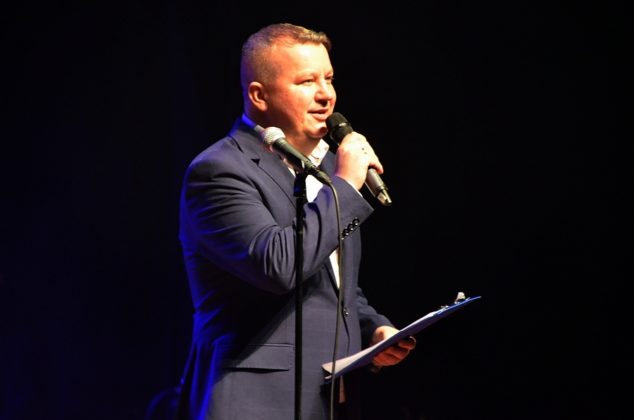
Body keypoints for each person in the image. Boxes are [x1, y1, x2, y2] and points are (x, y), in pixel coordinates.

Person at [175, 22, 416, 420]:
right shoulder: (218, 171)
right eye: (306, 81)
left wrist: (372, 328)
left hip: (331, 400)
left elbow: (331, 280)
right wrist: (345, 185)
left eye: (329, 78)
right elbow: (278, 266)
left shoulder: (327, 169)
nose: (326, 95)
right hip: (256, 402)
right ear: (259, 95)